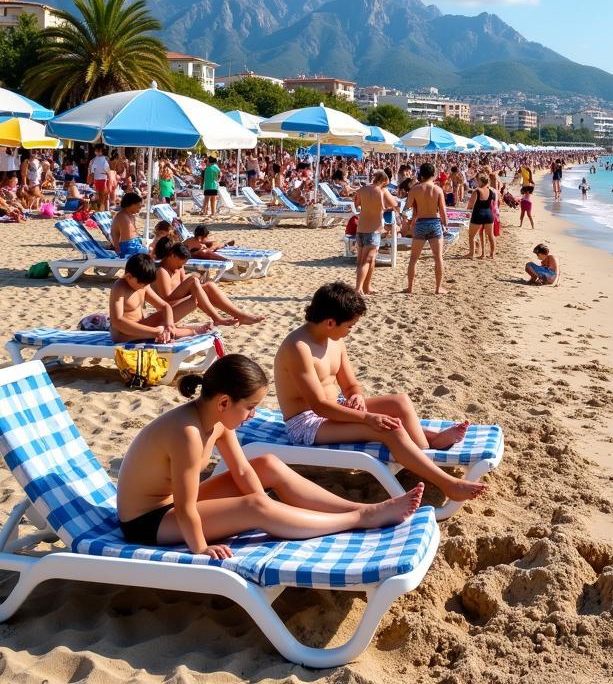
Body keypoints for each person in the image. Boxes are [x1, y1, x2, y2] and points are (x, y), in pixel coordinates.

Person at [115, 354, 423, 554]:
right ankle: (359, 518)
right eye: (250, 407)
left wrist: (262, 497)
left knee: (266, 465)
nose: (252, 415)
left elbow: (245, 472)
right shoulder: (188, 434)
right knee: (255, 507)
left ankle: (351, 508)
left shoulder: (216, 420)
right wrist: (200, 549)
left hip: (170, 506)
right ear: (224, 402)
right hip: (148, 522)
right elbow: (184, 508)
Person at [274, 283, 486, 502]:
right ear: (330, 322)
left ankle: (425, 453)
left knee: (399, 403)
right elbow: (319, 406)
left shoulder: (334, 341)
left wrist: (355, 396)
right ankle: (447, 483)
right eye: (350, 326)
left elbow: (351, 385)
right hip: (308, 423)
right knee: (388, 429)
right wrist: (368, 418)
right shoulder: (298, 348)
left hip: (335, 407)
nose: (350, 331)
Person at [154, 238, 264, 326]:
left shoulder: (178, 268)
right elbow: (167, 298)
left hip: (180, 303)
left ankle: (240, 315)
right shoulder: (162, 271)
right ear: (172, 256)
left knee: (209, 285)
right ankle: (217, 318)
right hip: (169, 311)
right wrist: (192, 281)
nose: (181, 266)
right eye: (180, 263)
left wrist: (196, 284)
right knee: (193, 280)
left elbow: (184, 288)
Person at [109, 253, 212, 344]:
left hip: (142, 326)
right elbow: (117, 322)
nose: (143, 286)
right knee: (161, 328)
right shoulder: (119, 287)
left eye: (146, 284)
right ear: (129, 277)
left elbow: (165, 306)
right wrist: (157, 331)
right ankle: (195, 331)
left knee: (191, 302)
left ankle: (179, 330)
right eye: (142, 284)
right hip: (123, 334)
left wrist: (169, 326)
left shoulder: (143, 285)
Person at [404, 163, 449, 295]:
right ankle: (438, 288)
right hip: (434, 223)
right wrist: (446, 225)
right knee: (438, 257)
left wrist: (407, 223)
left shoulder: (415, 190)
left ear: (421, 174)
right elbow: (442, 211)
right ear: (433, 174)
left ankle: (410, 287)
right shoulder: (438, 190)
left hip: (421, 223)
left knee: (413, 258)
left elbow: (407, 208)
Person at [353, 170, 400, 295]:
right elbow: (395, 204)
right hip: (373, 230)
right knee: (366, 261)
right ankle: (358, 289)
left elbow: (357, 205)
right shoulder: (382, 191)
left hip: (361, 229)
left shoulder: (361, 190)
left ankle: (367, 287)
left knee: (366, 261)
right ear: (384, 181)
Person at [467, 171, 496, 260]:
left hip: (478, 214)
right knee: (491, 236)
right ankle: (492, 254)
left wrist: (467, 210)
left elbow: (471, 205)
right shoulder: (491, 191)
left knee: (472, 236)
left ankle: (472, 254)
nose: (476, 182)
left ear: (480, 181)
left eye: (477, 181)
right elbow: (493, 202)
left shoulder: (477, 191)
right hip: (488, 214)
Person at [110, 192, 149, 257]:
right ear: (132, 205)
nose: (139, 209)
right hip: (127, 249)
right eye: (138, 206)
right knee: (152, 256)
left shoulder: (130, 216)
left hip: (134, 245)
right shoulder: (122, 217)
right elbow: (125, 242)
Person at [89, 146, 111, 211]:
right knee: (102, 197)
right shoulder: (100, 159)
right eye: (96, 151)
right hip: (101, 178)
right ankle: (102, 210)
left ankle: (101, 210)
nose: (97, 152)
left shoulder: (96, 160)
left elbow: (92, 170)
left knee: (101, 196)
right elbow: (106, 169)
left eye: (98, 151)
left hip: (100, 178)